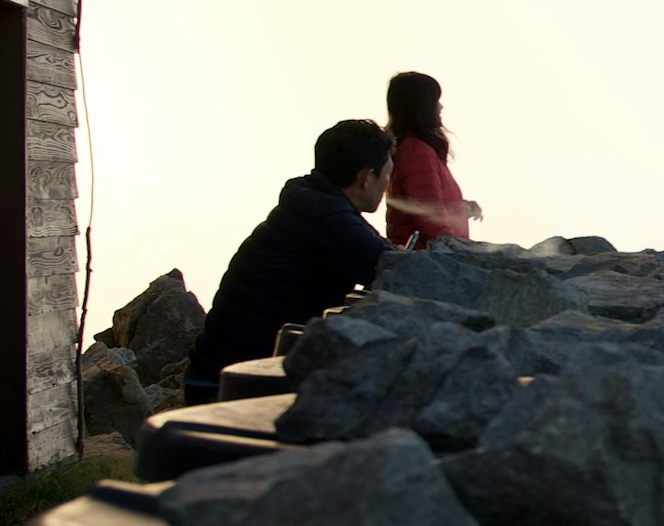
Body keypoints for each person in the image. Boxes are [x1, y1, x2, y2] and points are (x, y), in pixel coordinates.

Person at [187, 119, 396, 386]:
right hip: (226, 385)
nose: (388, 185)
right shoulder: (329, 219)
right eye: (387, 174)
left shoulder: (312, 202)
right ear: (366, 177)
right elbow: (395, 267)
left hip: (214, 371)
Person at [383, 69, 483, 250]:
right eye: (435, 100)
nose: (440, 107)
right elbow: (429, 217)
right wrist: (457, 253)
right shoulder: (417, 152)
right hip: (427, 260)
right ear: (422, 105)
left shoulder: (414, 149)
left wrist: (460, 208)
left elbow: (428, 201)